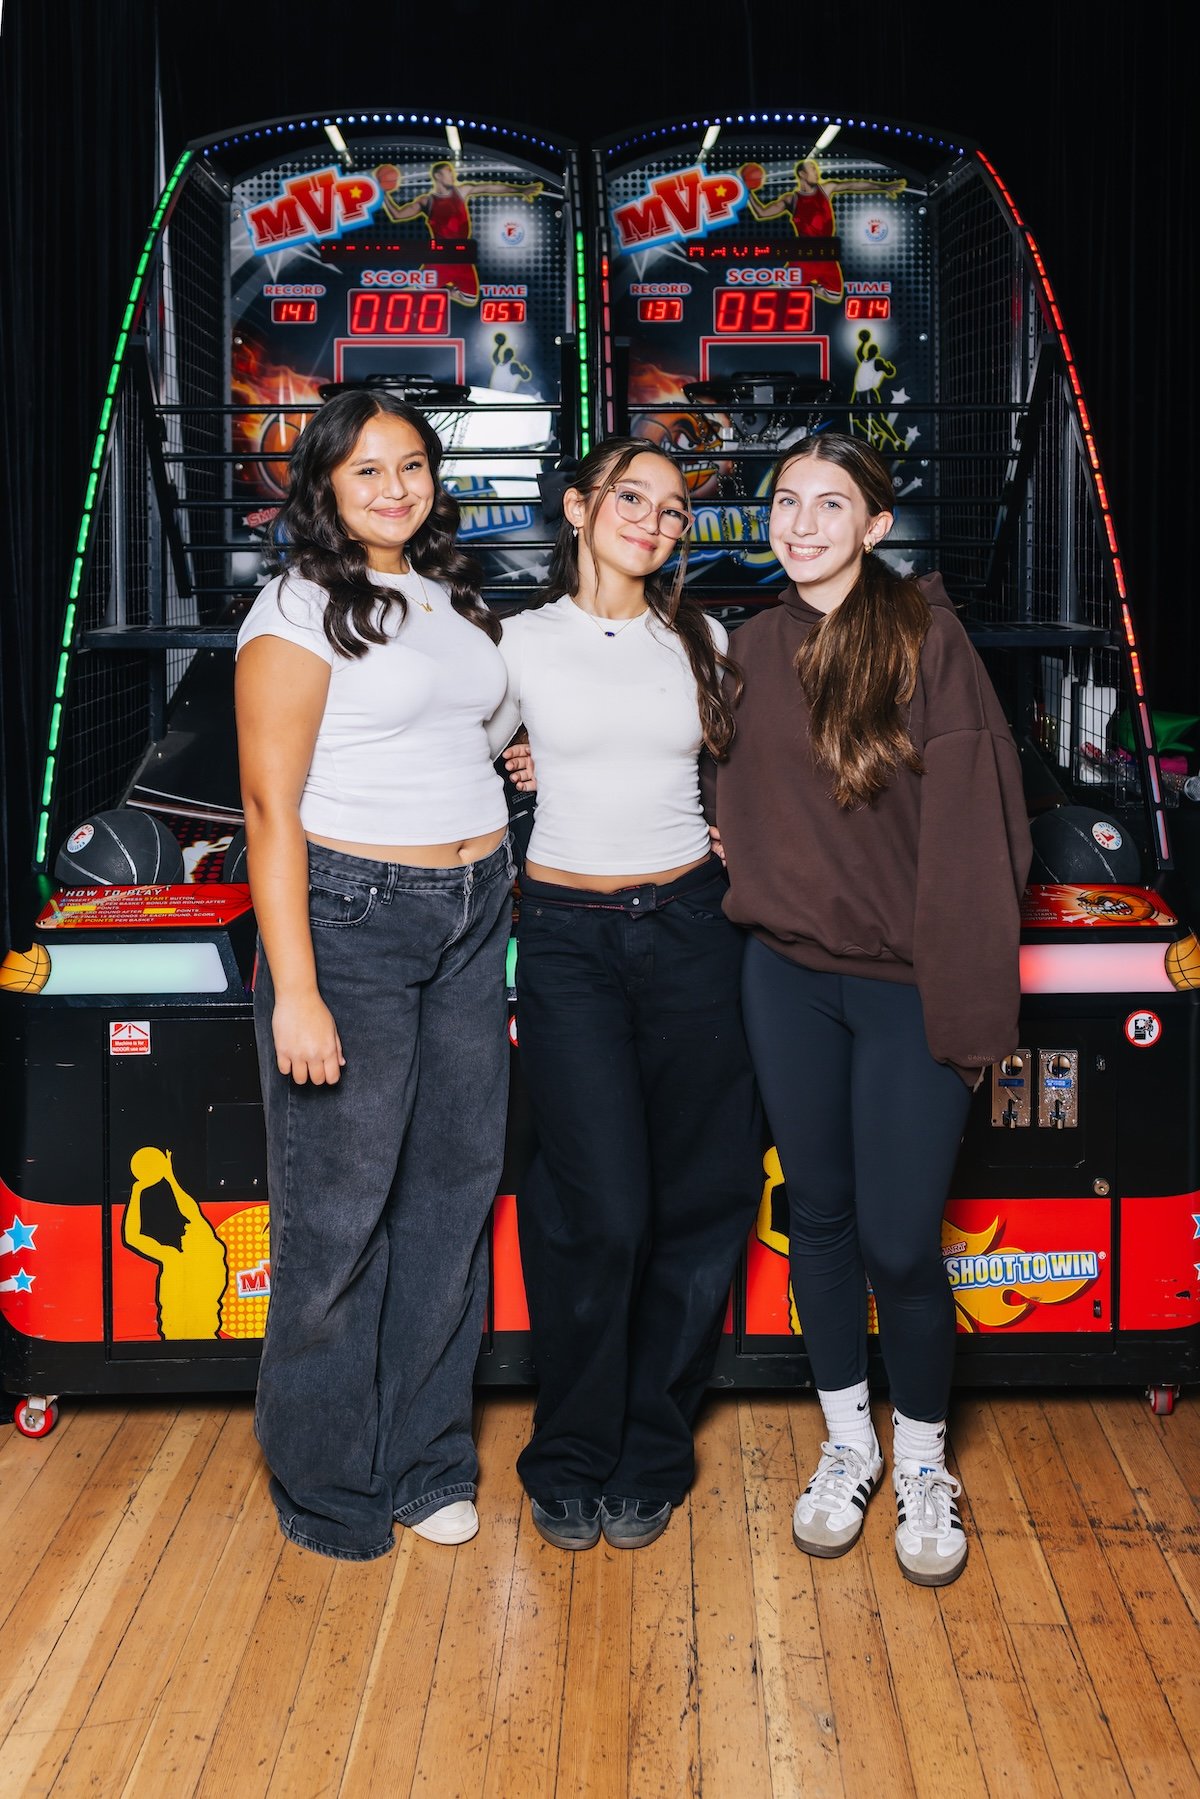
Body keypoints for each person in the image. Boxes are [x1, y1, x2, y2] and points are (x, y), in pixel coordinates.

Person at [714, 432, 1030, 1586]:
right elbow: (703, 783)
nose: (799, 523)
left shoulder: (926, 637)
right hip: (785, 979)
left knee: (902, 1239)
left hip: (907, 985)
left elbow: (986, 839)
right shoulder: (746, 646)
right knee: (825, 1223)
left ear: (875, 523)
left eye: (829, 503)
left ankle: (927, 1455)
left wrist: (970, 1009)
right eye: (785, 502)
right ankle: (849, 1440)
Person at [234, 390, 515, 1559]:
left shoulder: (449, 598)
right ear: (325, 488)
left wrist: (512, 747)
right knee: (339, 1216)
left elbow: (463, 728)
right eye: (366, 472)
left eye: (411, 465)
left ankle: (426, 1458)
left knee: (451, 1197)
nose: (395, 488)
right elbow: (269, 806)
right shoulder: (294, 608)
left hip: (472, 910)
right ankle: (327, 1481)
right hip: (351, 919)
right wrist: (297, 988)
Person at [491, 440, 761, 1552]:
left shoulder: (704, 638)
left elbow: (746, 775)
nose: (653, 518)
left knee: (700, 1203)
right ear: (578, 507)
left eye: (673, 508)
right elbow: (447, 761)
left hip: (693, 930)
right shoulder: (513, 643)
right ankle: (569, 1449)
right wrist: (516, 763)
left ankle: (652, 1447)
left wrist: (733, 835)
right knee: (596, 1209)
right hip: (567, 941)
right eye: (631, 497)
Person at [741, 159, 905, 302]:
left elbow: (854, 184)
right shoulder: (792, 199)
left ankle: (807, 289)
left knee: (835, 295)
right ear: (802, 175)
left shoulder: (826, 189)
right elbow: (762, 213)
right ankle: (752, 302)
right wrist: (747, 192)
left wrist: (884, 186)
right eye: (812, 169)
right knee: (782, 291)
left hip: (827, 256)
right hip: (805, 256)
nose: (816, 171)